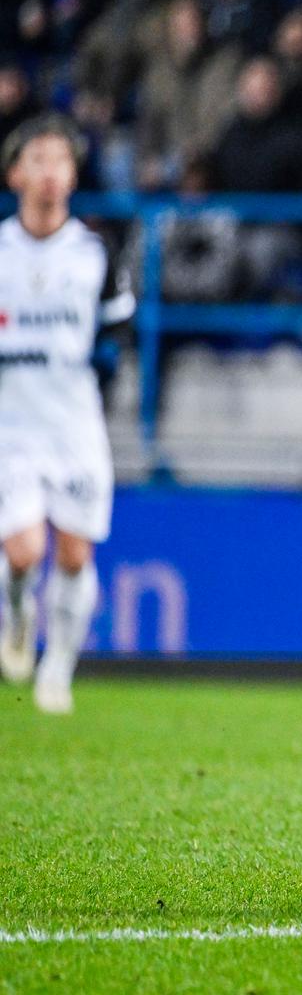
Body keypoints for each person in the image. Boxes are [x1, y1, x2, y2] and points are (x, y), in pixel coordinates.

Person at [1, 114, 135, 714]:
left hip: (73, 420)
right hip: (11, 421)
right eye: (38, 160)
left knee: (76, 554)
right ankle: (19, 610)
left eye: (60, 161)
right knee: (25, 550)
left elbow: (117, 334)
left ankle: (58, 669)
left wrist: (101, 387)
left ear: (74, 175)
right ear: (15, 173)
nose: (50, 173)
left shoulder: (94, 253)